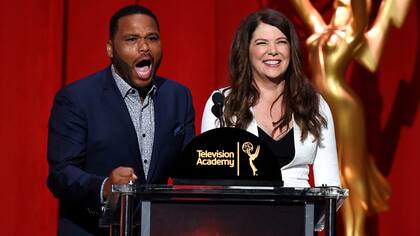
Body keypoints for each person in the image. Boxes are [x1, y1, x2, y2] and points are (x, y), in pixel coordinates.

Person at [47, 5, 195, 236]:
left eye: (152, 38)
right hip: (91, 230)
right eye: (131, 39)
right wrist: (105, 186)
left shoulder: (178, 96)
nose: (144, 47)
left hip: (154, 230)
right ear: (110, 48)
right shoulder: (77, 98)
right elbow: (61, 174)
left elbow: (188, 169)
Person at [201, 8, 340, 188]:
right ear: (246, 50)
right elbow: (208, 178)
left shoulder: (314, 104)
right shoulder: (222, 103)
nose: (273, 51)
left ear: (291, 49)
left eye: (281, 42)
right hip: (240, 213)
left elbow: (330, 186)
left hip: (299, 213)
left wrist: (310, 216)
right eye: (262, 43)